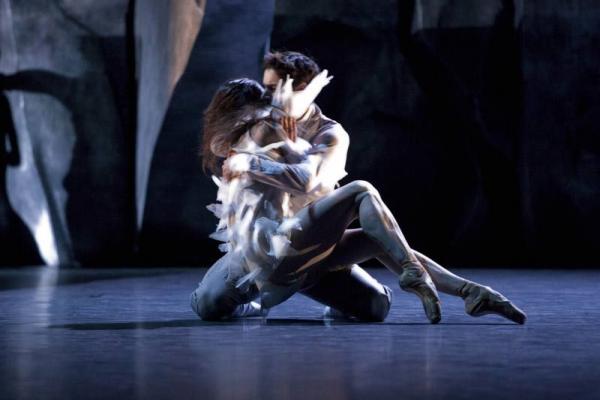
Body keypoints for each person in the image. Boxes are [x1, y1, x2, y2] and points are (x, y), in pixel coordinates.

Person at [191, 51, 526, 324]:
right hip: (264, 252)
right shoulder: (263, 125)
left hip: (313, 247)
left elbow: (307, 180)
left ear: (305, 90)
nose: (269, 99)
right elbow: (220, 144)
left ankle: (465, 290)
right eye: (266, 91)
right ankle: (439, 281)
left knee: (377, 305)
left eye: (275, 91)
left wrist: (252, 163)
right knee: (207, 306)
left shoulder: (330, 134)